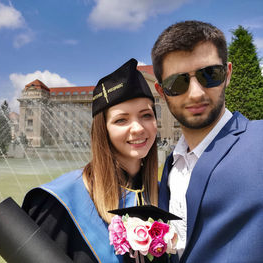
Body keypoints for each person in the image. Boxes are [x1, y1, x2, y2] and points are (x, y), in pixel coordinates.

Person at [22, 58, 167, 262]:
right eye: (121, 119)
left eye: (146, 115)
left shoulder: (164, 196)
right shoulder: (60, 204)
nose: (138, 128)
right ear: (103, 130)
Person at [151, 20, 263, 262]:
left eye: (209, 75)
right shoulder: (171, 165)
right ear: (162, 92)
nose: (196, 93)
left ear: (228, 74)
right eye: (177, 83)